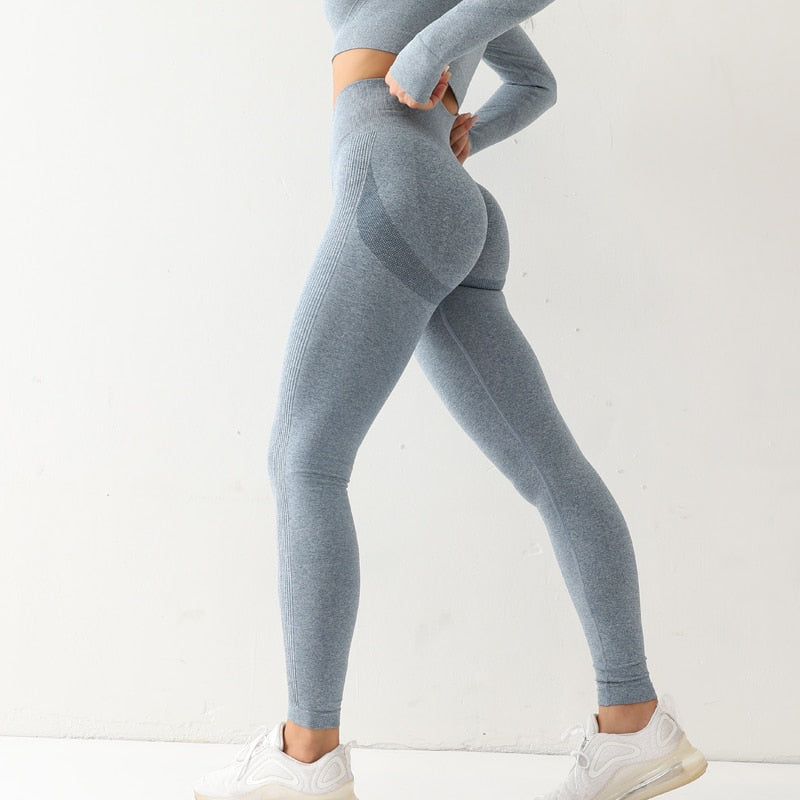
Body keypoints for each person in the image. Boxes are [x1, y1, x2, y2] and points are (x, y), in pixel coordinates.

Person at [193, 2, 708, 799]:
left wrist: (426, 51)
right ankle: (633, 724)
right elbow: (536, 82)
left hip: (394, 183)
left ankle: (305, 756)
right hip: (441, 194)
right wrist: (469, 126)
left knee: (305, 462)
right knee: (550, 469)